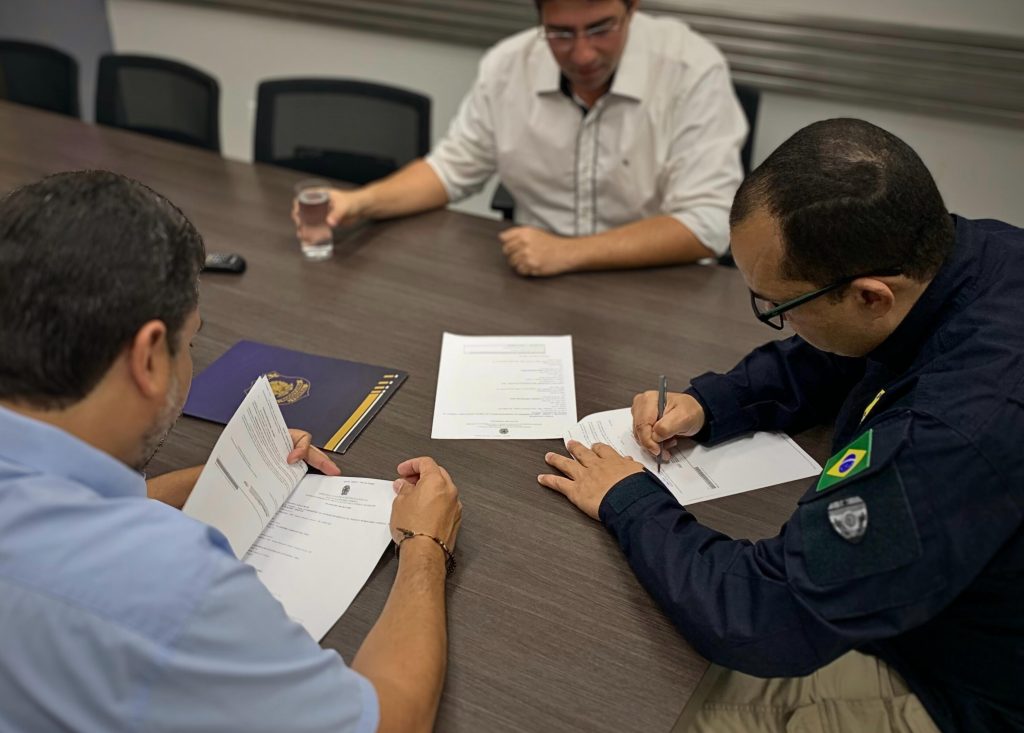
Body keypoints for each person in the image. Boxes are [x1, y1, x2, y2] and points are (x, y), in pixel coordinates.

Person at [537, 119, 1024, 732]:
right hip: (943, 598)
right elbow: (854, 347)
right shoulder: (966, 255)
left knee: (641, 707)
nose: (775, 319)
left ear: (870, 295)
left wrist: (629, 500)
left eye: (778, 307)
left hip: (959, 685)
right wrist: (713, 402)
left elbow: (764, 613)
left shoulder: (953, 433)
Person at [0, 170, 463, 733]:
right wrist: (425, 544)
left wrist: (220, 475)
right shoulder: (166, 585)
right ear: (148, 358)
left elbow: (58, 508)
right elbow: (391, 722)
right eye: (190, 342)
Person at [299, 0, 746, 277]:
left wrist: (568, 253)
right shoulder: (507, 66)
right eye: (561, 33)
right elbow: (450, 170)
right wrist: (359, 202)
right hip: (534, 278)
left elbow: (706, 223)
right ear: (540, 18)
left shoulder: (691, 68)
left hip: (660, 284)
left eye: (600, 28)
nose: (582, 54)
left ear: (632, 8)